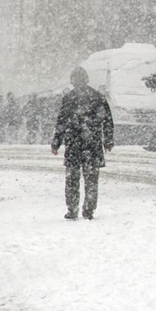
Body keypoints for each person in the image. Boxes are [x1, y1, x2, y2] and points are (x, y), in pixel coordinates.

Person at [51, 67, 114, 220]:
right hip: (92, 142)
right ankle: (89, 210)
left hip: (73, 143)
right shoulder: (97, 97)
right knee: (91, 179)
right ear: (87, 79)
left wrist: (56, 142)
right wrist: (108, 140)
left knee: (72, 178)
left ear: (72, 80)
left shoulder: (69, 98)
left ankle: (72, 209)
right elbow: (107, 120)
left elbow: (61, 121)